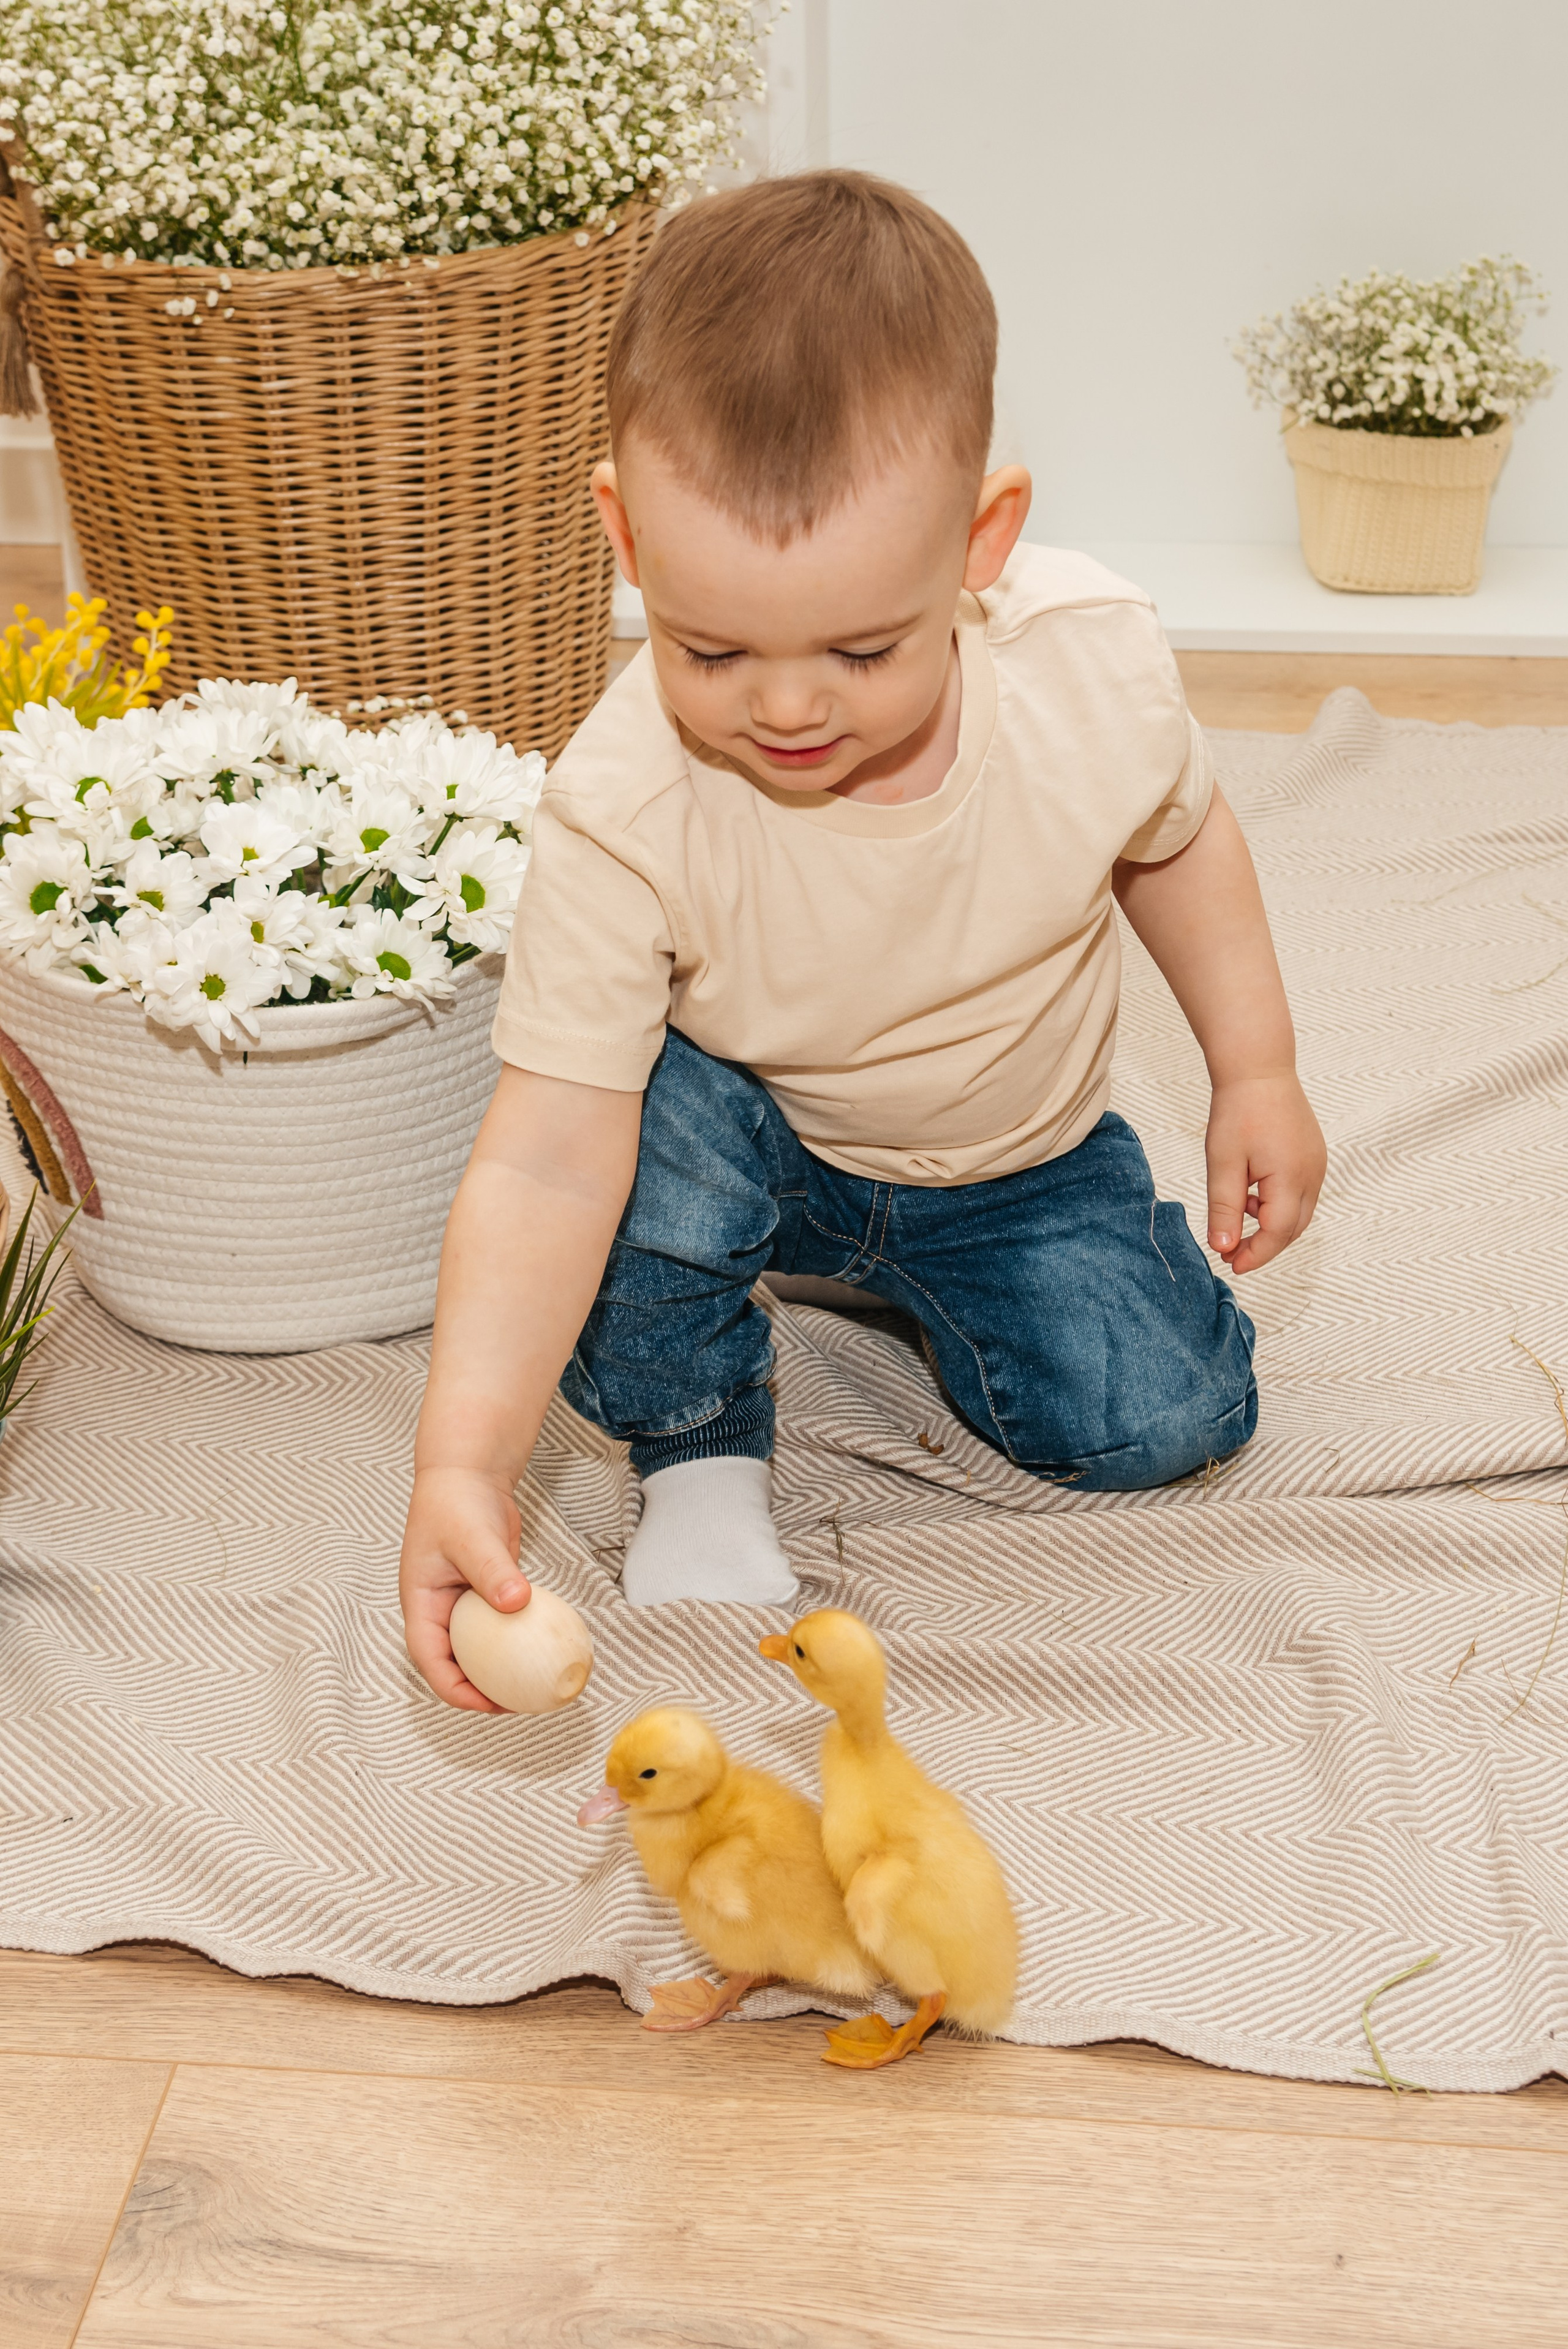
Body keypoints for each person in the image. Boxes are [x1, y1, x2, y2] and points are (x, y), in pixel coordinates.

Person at [400, 170, 1325, 1711]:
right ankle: (697, 1441)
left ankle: (924, 1290)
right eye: (711, 648)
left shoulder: (1085, 669)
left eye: (860, 647)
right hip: (749, 1131)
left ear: (981, 542)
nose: (784, 708)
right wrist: (462, 1455)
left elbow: (1178, 842)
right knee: (636, 1151)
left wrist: (1257, 1067)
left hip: (1006, 1157)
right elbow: (551, 1157)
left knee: (1168, 1417)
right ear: (625, 538)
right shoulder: (621, 805)